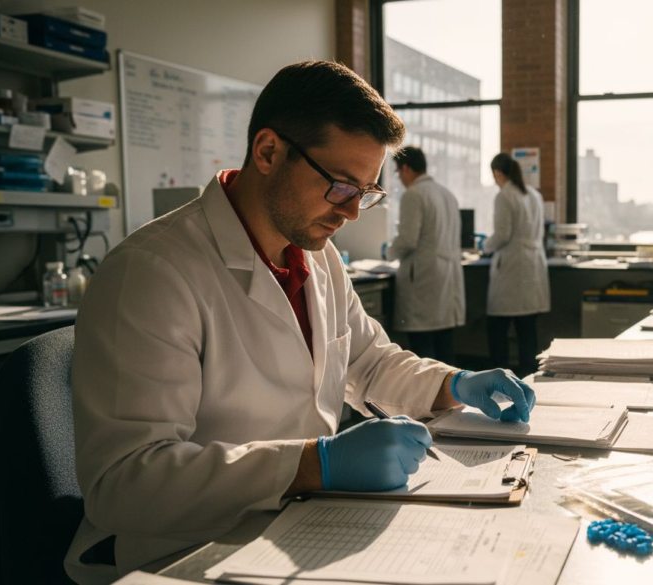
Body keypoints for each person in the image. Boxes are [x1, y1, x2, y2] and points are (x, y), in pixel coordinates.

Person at [66, 61, 535, 582]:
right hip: (182, 554)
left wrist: (454, 384)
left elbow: (369, 362)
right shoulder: (152, 272)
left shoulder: (317, 256)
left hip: (304, 524)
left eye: (367, 191)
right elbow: (124, 483)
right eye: (340, 185)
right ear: (268, 152)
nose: (353, 211)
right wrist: (316, 464)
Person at [386, 146, 465, 363]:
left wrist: (388, 253)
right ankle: (452, 396)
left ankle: (429, 397)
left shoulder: (414, 194)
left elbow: (408, 239)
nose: (400, 178)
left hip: (424, 278)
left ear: (407, 169)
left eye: (398, 171)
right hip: (446, 276)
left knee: (423, 349)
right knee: (444, 345)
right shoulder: (447, 194)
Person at [483, 153, 551, 375]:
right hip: (531, 264)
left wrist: (484, 247)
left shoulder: (505, 195)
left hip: (512, 266)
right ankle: (529, 376)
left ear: (498, 173)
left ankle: (500, 376)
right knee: (527, 329)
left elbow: (502, 234)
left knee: (498, 327)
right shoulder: (533, 194)